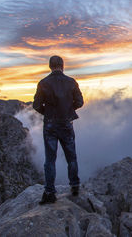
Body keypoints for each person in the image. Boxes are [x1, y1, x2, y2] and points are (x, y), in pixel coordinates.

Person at [33, 55, 84, 204]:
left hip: (50, 124)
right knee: (71, 157)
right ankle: (74, 186)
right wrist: (67, 110)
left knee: (50, 160)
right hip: (66, 123)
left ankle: (50, 192)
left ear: (50, 66)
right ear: (62, 66)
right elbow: (80, 102)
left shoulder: (43, 83)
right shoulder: (71, 82)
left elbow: (36, 105)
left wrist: (48, 113)